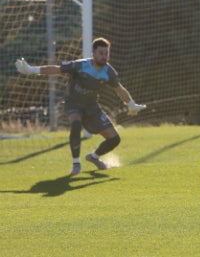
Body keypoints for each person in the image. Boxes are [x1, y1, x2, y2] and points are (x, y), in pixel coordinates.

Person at [15, 37, 146, 176]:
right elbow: (56, 69)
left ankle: (93, 157)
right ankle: (76, 163)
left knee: (115, 139)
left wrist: (131, 104)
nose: (104, 56)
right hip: (73, 103)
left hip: (92, 107)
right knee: (76, 124)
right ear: (93, 54)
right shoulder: (80, 65)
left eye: (106, 53)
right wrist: (31, 70)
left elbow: (119, 89)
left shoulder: (109, 72)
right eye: (101, 53)